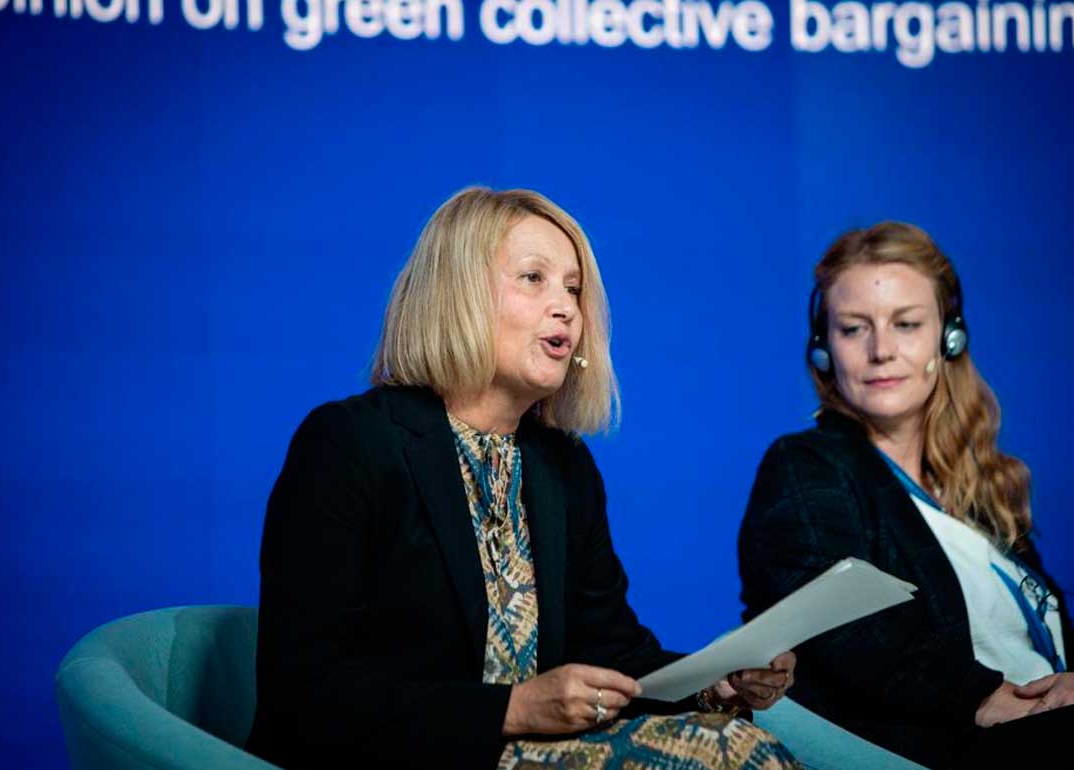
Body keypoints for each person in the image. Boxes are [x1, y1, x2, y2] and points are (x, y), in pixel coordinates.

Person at [246, 186, 800, 770]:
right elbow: (304, 691)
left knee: (738, 742)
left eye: (573, 289)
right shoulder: (348, 444)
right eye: (533, 279)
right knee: (736, 755)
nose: (565, 307)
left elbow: (612, 653)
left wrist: (716, 685)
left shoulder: (563, 465)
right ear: (454, 294)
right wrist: (510, 710)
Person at [738, 221, 1074, 769]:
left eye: (906, 324)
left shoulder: (980, 484)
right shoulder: (806, 465)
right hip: (947, 744)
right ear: (823, 350)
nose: (881, 350)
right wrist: (978, 697)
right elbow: (836, 627)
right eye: (854, 329)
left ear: (948, 338)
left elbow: (1051, 638)